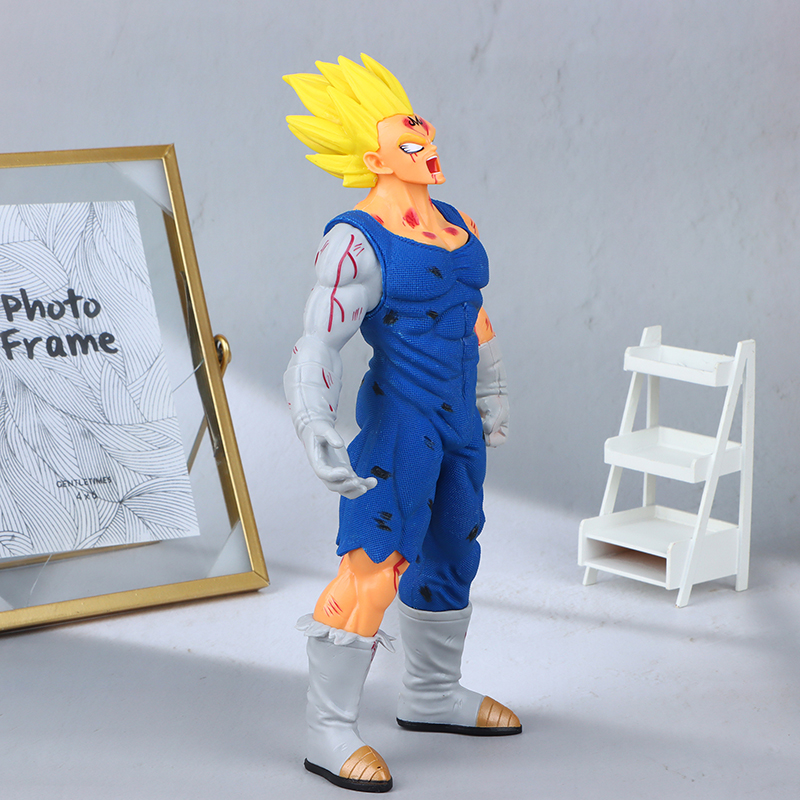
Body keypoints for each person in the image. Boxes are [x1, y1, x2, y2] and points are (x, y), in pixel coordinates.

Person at [284, 54, 517, 793]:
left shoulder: (457, 226)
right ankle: (327, 729)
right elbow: (319, 341)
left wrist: (492, 386)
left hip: (459, 427)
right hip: (399, 427)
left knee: (453, 549)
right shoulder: (357, 242)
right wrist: (313, 418)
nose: (429, 149)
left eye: (428, 135)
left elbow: (472, 314)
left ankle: (431, 694)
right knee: (374, 567)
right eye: (411, 143)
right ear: (374, 159)